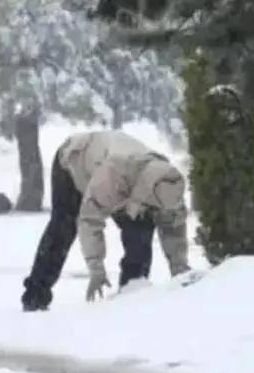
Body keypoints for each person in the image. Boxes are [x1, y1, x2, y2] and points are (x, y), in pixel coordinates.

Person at [21, 131, 191, 312]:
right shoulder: (114, 175)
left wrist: (179, 267)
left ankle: (132, 294)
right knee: (64, 226)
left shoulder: (170, 184)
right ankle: (35, 295)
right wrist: (96, 269)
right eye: (153, 207)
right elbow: (89, 221)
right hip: (75, 164)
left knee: (140, 229)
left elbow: (173, 226)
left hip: (121, 174)